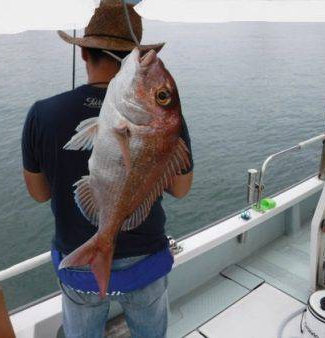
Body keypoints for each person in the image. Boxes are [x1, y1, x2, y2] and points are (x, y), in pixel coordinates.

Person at [21, 1, 193, 337]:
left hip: (78, 260)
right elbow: (181, 188)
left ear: (84, 54)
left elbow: (39, 194)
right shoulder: (167, 122)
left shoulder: (42, 114)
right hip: (146, 264)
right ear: (132, 55)